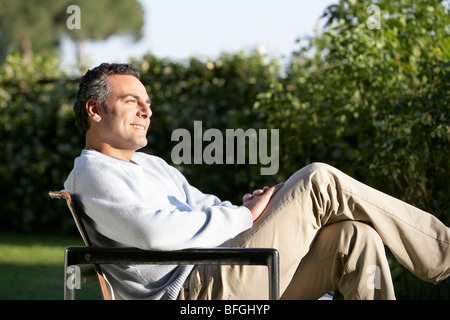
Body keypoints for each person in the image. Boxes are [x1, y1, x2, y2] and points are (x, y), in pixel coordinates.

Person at [63, 62, 449, 300]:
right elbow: (154, 235)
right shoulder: (94, 172)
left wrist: (251, 212)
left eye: (147, 102)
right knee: (319, 179)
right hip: (194, 291)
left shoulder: (152, 166)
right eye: (132, 101)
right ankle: (444, 253)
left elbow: (206, 209)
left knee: (353, 238)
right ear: (95, 110)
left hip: (226, 271)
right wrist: (245, 218)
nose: (147, 110)